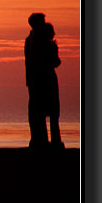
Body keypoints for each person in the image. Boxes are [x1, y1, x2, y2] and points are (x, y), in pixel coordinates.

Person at [32, 21, 64, 149]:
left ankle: (44, 141)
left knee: (42, 112)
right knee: (53, 112)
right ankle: (55, 141)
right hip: (49, 79)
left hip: (40, 79)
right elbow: (56, 62)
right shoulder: (49, 46)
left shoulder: (35, 45)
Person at [24, 12, 51, 149]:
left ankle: (39, 139)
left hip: (35, 78)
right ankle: (39, 139)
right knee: (38, 110)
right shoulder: (35, 40)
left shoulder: (32, 39)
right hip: (39, 78)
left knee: (38, 110)